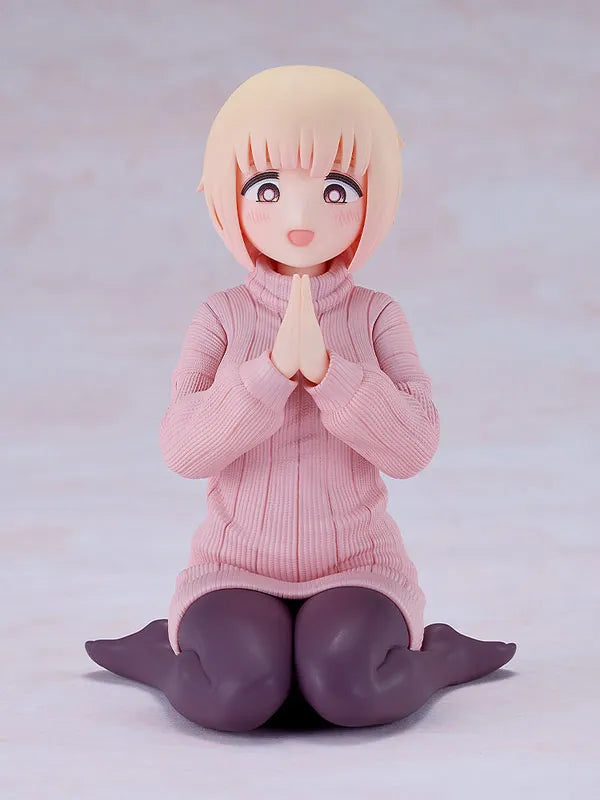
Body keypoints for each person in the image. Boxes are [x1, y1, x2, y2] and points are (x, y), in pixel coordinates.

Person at [85, 65, 516, 732]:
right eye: (268, 187)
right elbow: (182, 449)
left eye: (337, 189)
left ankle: (439, 658)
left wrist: (330, 373)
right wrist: (269, 373)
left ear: (375, 199)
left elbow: (413, 448)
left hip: (357, 567)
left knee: (350, 689)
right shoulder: (221, 316)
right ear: (227, 197)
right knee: (237, 694)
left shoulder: (376, 316)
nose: (301, 216)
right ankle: (159, 657)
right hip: (235, 567)